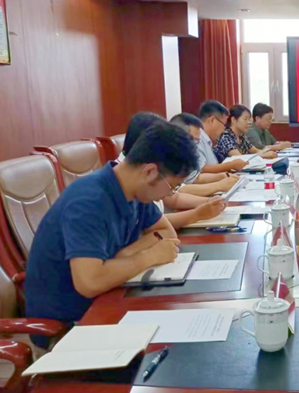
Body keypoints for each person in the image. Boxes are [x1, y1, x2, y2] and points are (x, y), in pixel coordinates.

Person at [25, 123, 198, 334]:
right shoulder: (89, 201)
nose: (170, 195)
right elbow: (89, 283)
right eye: (173, 187)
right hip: (69, 324)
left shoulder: (135, 191)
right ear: (150, 171)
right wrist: (149, 256)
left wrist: (122, 256)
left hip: (112, 296)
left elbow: (166, 233)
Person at [119, 113, 227, 230]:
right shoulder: (132, 182)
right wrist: (197, 214)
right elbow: (149, 226)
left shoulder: (144, 176)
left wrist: (208, 202)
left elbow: (160, 220)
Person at [170, 113, 240, 197]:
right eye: (192, 140)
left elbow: (193, 178)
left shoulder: (185, 156)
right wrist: (218, 186)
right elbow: (177, 193)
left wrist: (222, 177)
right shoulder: (165, 159)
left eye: (197, 141)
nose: (195, 146)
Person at [198, 100, 249, 174]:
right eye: (224, 124)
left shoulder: (208, 141)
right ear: (212, 120)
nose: (224, 129)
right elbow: (202, 169)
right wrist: (231, 165)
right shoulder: (197, 139)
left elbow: (212, 166)